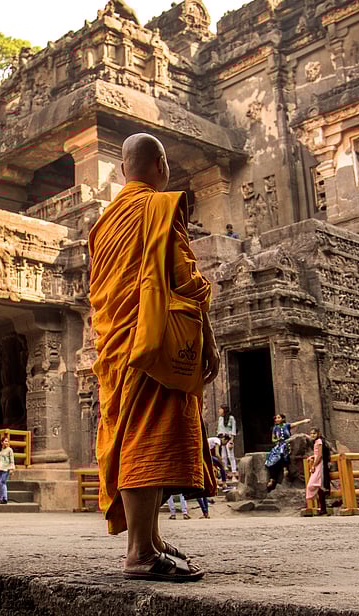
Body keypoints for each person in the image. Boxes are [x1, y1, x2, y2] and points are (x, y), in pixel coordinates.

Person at [90, 133, 220, 583]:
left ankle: (152, 538)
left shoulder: (103, 224)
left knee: (131, 434)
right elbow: (186, 279)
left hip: (116, 342)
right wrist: (208, 339)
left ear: (125, 169)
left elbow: (107, 287)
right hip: (152, 342)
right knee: (150, 435)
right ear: (161, 165)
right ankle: (140, 551)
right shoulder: (161, 208)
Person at [305, 427, 332, 515]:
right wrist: (312, 457)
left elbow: (320, 455)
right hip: (318, 464)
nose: (312, 435)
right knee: (319, 486)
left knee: (312, 485)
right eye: (311, 433)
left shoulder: (319, 441)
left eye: (314, 433)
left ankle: (321, 507)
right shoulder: (316, 442)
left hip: (320, 466)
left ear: (318, 434)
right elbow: (317, 454)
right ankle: (323, 508)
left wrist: (313, 465)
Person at [263, 414, 292, 492]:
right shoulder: (275, 428)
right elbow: (273, 440)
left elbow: (296, 424)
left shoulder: (287, 426)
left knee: (283, 452)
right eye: (276, 418)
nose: (277, 419)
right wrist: (278, 439)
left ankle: (285, 469)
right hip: (278, 445)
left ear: (282, 419)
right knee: (271, 460)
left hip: (287, 444)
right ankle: (272, 479)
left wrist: (305, 421)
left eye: (279, 417)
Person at [216, 405, 238, 479]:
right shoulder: (220, 419)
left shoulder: (231, 418)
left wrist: (232, 440)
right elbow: (219, 429)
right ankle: (225, 473)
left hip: (228, 438)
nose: (219, 410)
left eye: (220, 409)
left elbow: (233, 430)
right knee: (223, 456)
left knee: (230, 455)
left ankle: (234, 472)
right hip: (222, 439)